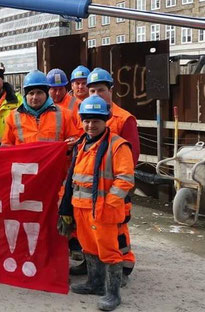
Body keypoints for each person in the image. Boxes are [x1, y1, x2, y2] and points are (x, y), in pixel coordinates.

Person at [58, 94, 135, 311]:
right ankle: (95, 283)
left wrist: (109, 204)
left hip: (104, 210)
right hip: (80, 207)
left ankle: (112, 293)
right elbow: (73, 178)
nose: (90, 125)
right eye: (86, 121)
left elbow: (125, 179)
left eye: (96, 121)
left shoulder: (117, 146)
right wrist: (66, 206)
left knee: (109, 252)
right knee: (89, 248)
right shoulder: (81, 144)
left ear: (106, 120)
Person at [85, 67, 139, 280]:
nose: (96, 95)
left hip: (114, 184)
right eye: (92, 91)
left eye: (100, 90)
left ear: (111, 90)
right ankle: (92, 264)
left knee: (118, 227)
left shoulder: (124, 118)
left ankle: (124, 266)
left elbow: (132, 156)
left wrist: (118, 187)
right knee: (93, 227)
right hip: (92, 185)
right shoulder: (88, 113)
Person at [1, 70, 80, 147]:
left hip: (54, 160)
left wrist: (71, 141)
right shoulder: (12, 117)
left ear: (46, 94)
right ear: (25, 95)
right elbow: (6, 146)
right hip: (24, 160)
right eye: (31, 93)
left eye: (39, 93)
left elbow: (74, 138)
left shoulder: (64, 115)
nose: (35, 97)